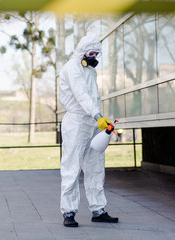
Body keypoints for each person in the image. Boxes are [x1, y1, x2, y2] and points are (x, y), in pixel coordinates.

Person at [59, 35, 119, 227]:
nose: (94, 57)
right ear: (82, 51)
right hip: (76, 122)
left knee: (95, 167)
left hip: (93, 122)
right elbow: (81, 94)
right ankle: (68, 212)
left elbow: (92, 96)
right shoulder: (72, 67)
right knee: (72, 167)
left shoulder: (90, 71)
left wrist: (99, 118)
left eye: (97, 54)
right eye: (91, 53)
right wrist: (97, 115)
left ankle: (98, 209)